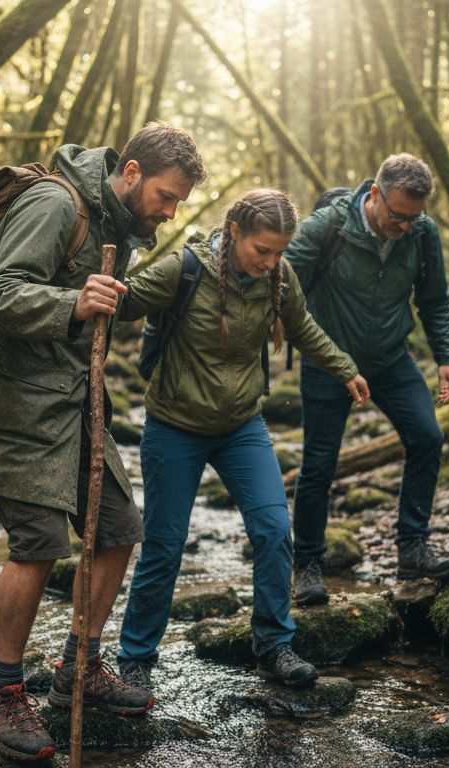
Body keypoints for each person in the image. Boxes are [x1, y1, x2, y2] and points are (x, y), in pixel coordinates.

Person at [0, 123, 206, 763]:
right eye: (166, 196)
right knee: (39, 542)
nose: (170, 211)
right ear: (131, 172)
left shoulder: (120, 223)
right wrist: (73, 303)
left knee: (118, 525)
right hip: (8, 398)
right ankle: (2, 696)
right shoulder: (56, 203)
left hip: (72, 398)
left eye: (179, 202)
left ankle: (78, 666)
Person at [112, 189, 370, 694]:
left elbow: (302, 327)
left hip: (242, 427)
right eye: (262, 250)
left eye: (279, 252)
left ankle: (274, 646)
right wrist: (91, 287)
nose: (271, 262)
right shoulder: (184, 269)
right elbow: (122, 302)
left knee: (274, 530)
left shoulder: (279, 277)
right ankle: (136, 658)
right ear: (234, 232)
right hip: (175, 427)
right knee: (164, 546)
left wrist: (345, 369)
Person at [286, 153, 449, 607]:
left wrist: (446, 357)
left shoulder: (422, 233)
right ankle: (307, 566)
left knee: (427, 437)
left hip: (389, 359)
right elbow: (281, 282)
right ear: (376, 194)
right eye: (397, 215)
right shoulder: (326, 227)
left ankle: (413, 549)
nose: (404, 226)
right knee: (319, 465)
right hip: (328, 361)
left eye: (413, 217)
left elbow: (434, 298)